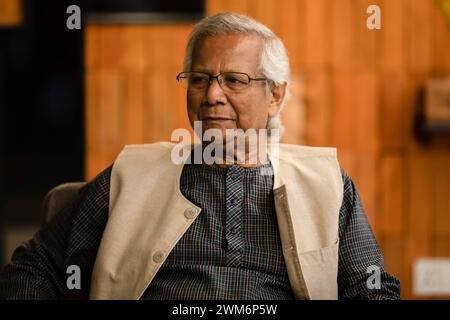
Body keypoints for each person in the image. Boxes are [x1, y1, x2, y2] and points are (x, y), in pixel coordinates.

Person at [0, 12, 400, 300]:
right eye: (200, 79)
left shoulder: (326, 184)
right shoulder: (130, 175)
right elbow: (34, 268)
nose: (212, 95)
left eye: (233, 80)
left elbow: (372, 287)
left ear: (275, 95)